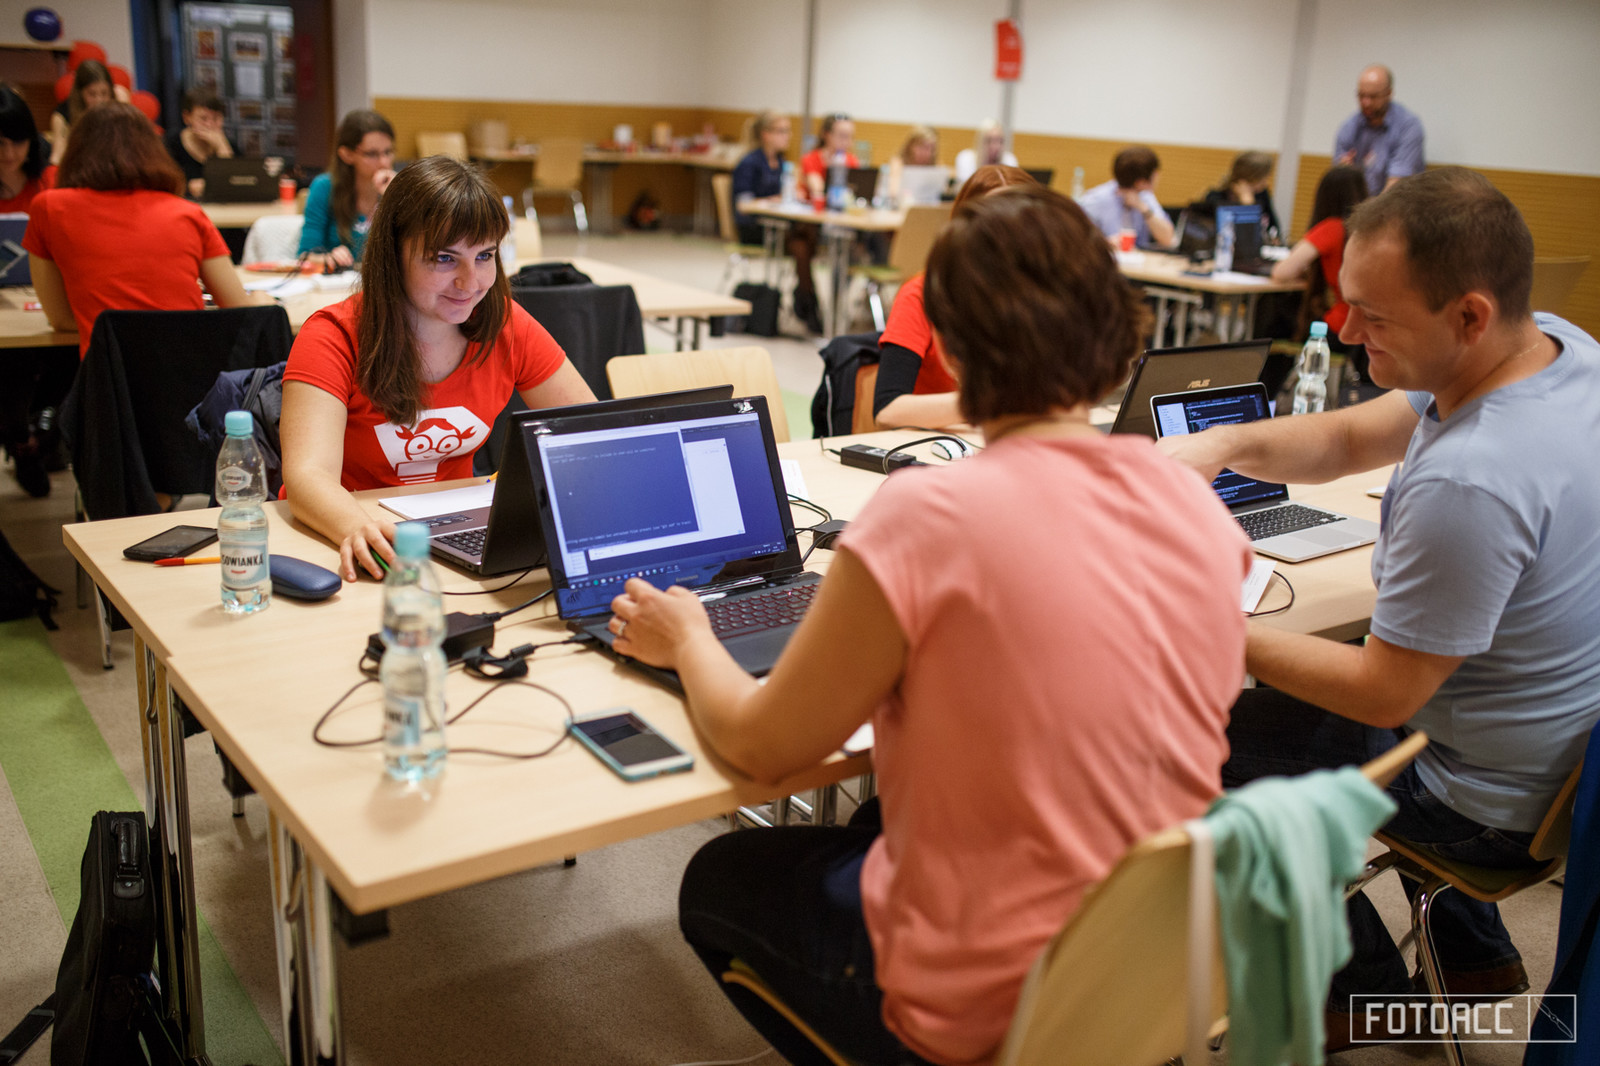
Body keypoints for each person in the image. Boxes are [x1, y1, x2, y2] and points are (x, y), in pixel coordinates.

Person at [609, 185, 1250, 1066]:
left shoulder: (928, 516)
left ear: (945, 344)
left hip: (993, 1007)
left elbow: (764, 750)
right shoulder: (1194, 503)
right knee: (876, 820)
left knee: (721, 878)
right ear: (1115, 329)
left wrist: (688, 640)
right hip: (1166, 963)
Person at [1158, 167, 1600, 1051]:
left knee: (1179, 743)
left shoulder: (1472, 480)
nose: (1347, 330)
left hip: (1480, 802)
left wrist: (1210, 626)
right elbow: (1352, 433)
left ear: (1469, 315)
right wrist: (1224, 442)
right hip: (1556, 764)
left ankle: (1360, 989)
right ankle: (1470, 958)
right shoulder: (1557, 348)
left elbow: (1382, 693)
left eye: (1374, 316)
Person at [281, 156, 595, 581]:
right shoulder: (332, 336)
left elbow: (588, 431)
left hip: (453, 538)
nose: (471, 282)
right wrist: (357, 528)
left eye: (484, 255)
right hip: (342, 536)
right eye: (445, 259)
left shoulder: (506, 324)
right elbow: (307, 476)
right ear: (393, 255)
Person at [22, 102, 269, 361]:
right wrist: (261, 299)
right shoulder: (187, 213)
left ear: (77, 152)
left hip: (108, 379)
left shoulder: (49, 208)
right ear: (152, 151)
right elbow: (239, 308)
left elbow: (60, 320)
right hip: (191, 375)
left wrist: (114, 327)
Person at [871, 164, 1037, 430]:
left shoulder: (1040, 298)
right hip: (937, 441)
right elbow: (887, 410)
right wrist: (988, 403)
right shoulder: (922, 295)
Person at [1270, 164, 1370, 380]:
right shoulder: (1370, 229)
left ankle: (1267, 389)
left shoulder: (1333, 227)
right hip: (1368, 326)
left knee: (1274, 321)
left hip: (1341, 326)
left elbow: (1282, 272)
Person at [297, 109, 396, 271]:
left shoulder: (398, 189)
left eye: (388, 152)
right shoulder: (324, 187)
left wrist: (395, 198)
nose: (384, 162)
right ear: (346, 154)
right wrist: (328, 258)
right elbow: (304, 255)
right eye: (372, 154)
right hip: (340, 283)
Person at [1334, 64, 1424, 195]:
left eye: (1373, 96)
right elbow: (1337, 179)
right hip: (1359, 204)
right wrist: (1342, 173)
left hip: (1394, 204)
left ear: (1389, 93)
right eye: (1361, 96)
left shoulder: (1408, 126)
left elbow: (1395, 186)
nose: (1366, 103)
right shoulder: (1350, 126)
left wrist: (1367, 209)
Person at [1077, 145, 1175, 248]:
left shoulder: (1145, 196)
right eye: (1155, 173)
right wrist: (1105, 243)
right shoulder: (1097, 199)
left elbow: (1168, 239)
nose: (1157, 177)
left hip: (1139, 257)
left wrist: (1143, 208)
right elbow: (1075, 239)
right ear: (1140, 182)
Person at [48, 59, 127, 166]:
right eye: (92, 94)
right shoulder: (62, 115)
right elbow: (57, 157)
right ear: (80, 93)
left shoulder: (119, 101)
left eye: (104, 93)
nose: (99, 100)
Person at [163, 87, 234, 199]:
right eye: (203, 118)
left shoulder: (229, 144)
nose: (210, 125)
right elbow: (164, 184)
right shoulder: (170, 144)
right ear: (187, 117)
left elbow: (237, 183)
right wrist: (188, 188)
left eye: (216, 119)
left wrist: (222, 148)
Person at [1201, 149, 1281, 242]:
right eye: (1263, 178)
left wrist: (1274, 238)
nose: (1265, 183)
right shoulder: (1216, 198)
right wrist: (1247, 203)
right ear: (1251, 176)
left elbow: (1274, 226)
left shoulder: (1262, 195)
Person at [0, 85, 55, 213]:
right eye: (0, 143)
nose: (9, 154)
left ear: (31, 140)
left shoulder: (52, 181)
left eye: (18, 142)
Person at [799, 112, 857, 204]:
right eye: (842, 136)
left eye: (850, 137)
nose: (847, 142)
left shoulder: (851, 160)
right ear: (826, 134)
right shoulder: (810, 158)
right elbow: (818, 190)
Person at [952, 118, 1017, 185]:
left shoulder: (1009, 160)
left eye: (1000, 141)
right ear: (981, 142)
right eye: (989, 140)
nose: (996, 146)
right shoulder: (966, 159)